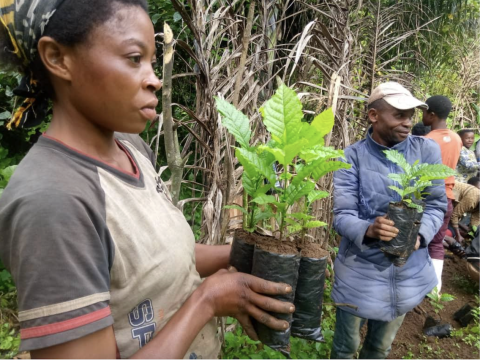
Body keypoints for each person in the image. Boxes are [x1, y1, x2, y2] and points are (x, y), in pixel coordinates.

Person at [0, 1, 295, 358]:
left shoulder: (131, 147)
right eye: (134, 58)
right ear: (58, 58)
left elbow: (155, 261)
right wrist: (207, 300)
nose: (154, 78)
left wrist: (239, 255)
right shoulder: (52, 201)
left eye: (153, 61)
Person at [332, 82, 446, 359]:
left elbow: (436, 204)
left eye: (411, 116)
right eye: (399, 115)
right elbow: (342, 216)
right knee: (346, 348)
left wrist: (420, 237)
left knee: (380, 348)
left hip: (409, 272)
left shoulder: (425, 152)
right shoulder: (352, 157)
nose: (408, 123)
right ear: (374, 116)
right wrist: (369, 229)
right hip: (359, 273)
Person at [421, 95, 462, 293]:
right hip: (447, 197)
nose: (422, 116)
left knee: (419, 241)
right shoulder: (456, 139)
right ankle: (435, 290)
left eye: (423, 112)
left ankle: (416, 285)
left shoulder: (426, 140)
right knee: (437, 243)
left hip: (427, 197)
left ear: (432, 114)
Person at [450, 178, 480, 243]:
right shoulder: (473, 197)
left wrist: (473, 235)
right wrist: (458, 236)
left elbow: (475, 221)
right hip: (447, 189)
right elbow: (454, 215)